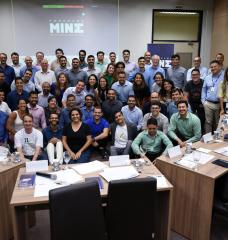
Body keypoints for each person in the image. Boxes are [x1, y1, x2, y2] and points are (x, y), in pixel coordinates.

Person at [201, 60, 224, 133]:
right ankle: (208, 139)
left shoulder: (224, 77)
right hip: (208, 104)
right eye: (211, 67)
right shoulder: (207, 77)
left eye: (215, 66)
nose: (213, 68)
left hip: (219, 105)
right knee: (208, 122)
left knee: (218, 123)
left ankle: (218, 140)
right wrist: (203, 101)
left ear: (219, 67)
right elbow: (204, 89)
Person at [184, 68, 205, 132]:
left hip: (201, 103)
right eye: (193, 75)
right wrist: (187, 106)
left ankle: (200, 132)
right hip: (191, 103)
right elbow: (185, 96)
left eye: (196, 74)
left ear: (199, 75)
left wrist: (204, 103)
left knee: (202, 119)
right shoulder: (188, 83)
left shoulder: (203, 82)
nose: (194, 76)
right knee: (191, 119)